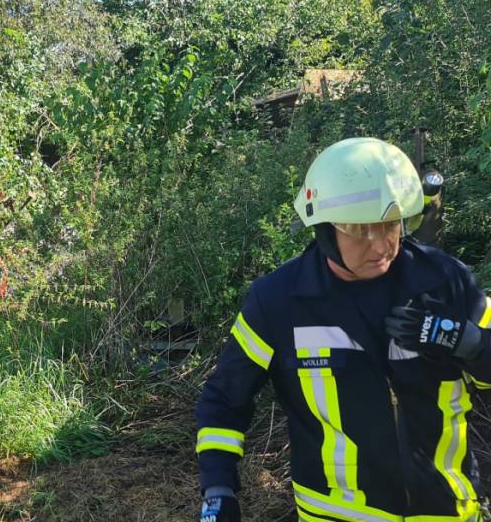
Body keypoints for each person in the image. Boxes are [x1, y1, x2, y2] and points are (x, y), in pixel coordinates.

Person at [195, 138, 491, 521]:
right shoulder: (278, 302)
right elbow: (224, 399)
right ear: (323, 229)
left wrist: (466, 342)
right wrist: (218, 489)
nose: (381, 244)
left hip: (448, 512)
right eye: (360, 229)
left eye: (389, 225)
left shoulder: (446, 281)